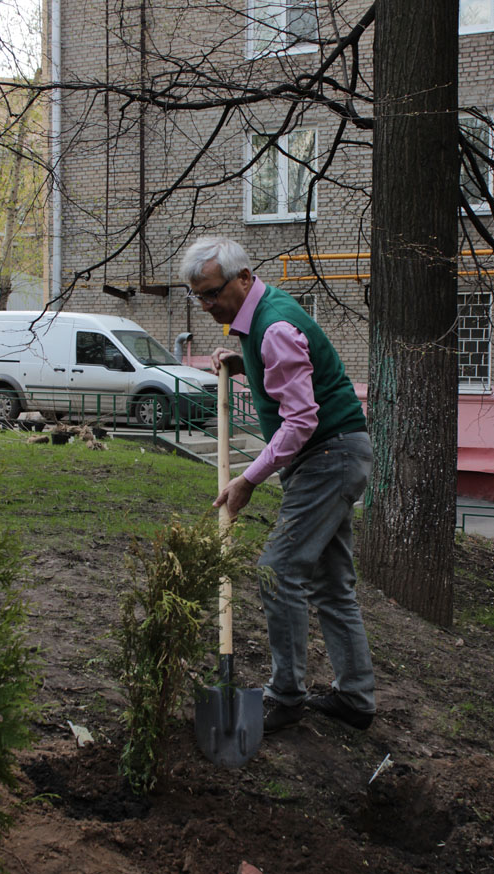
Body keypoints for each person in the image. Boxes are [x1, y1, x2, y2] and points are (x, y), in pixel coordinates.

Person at [179, 236, 376, 735]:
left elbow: (300, 421)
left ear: (243, 278)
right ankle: (355, 699)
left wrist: (248, 479)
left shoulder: (273, 328)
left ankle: (285, 694)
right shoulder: (259, 319)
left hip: (327, 455)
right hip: (336, 452)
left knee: (276, 570)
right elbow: (290, 369)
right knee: (331, 583)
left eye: (212, 293)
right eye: (198, 297)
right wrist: (244, 362)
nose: (206, 306)